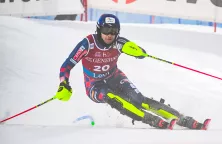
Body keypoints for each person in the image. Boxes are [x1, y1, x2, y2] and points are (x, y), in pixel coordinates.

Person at [55, 14, 210, 130]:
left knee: (139, 100)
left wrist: (137, 52)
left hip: (114, 77)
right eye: (106, 30)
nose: (110, 34)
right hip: (94, 85)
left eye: (114, 31)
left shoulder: (118, 42)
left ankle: (183, 119)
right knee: (112, 97)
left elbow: (140, 52)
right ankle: (150, 119)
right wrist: (64, 83)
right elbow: (66, 65)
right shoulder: (88, 43)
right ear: (98, 29)